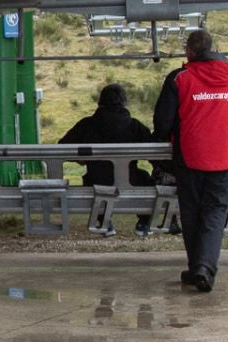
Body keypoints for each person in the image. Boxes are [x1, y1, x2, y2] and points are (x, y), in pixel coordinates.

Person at [152, 29, 228, 293]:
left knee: (191, 213)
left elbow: (162, 123)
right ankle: (204, 268)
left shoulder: (179, 79)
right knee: (215, 212)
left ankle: (198, 267)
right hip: (223, 156)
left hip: (190, 156)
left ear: (189, 51)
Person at [58, 83, 155, 235]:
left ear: (100, 102)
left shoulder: (87, 125)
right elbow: (154, 151)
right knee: (144, 176)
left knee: (90, 178)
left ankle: (104, 221)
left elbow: (62, 147)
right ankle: (144, 222)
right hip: (131, 182)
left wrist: (80, 159)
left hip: (97, 184)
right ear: (124, 102)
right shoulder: (135, 126)